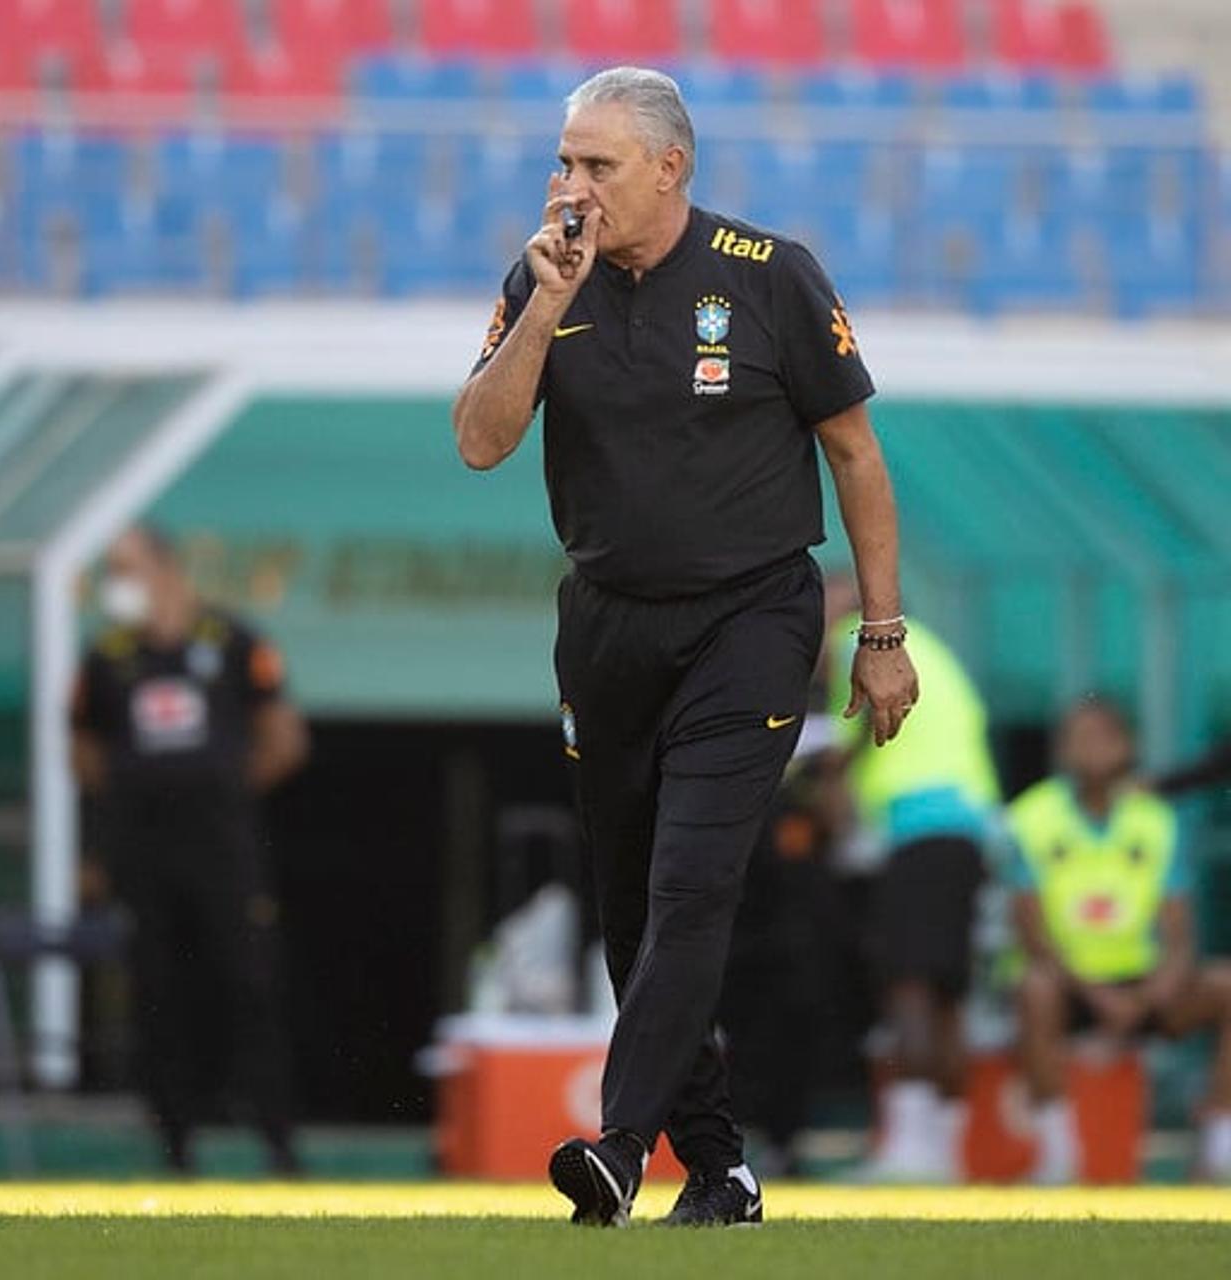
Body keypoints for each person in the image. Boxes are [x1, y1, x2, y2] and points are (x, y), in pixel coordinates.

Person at [451, 66, 918, 1227]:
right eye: (564, 162)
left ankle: (616, 1147)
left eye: (597, 165)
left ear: (671, 168)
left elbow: (857, 455)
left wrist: (881, 632)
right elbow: (478, 440)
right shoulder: (545, 277)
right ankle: (720, 1170)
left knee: (691, 882)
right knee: (628, 909)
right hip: (606, 621)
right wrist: (546, 309)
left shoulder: (772, 278)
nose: (572, 187)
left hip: (752, 618)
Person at [70, 525, 310, 1174]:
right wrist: (125, 808)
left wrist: (224, 791)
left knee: (248, 986)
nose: (117, 586)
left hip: (223, 852)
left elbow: (285, 738)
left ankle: (276, 1141)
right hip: (144, 855)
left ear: (165, 570)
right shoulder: (107, 659)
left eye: (127, 569)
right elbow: (83, 750)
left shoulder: (232, 642)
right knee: (156, 993)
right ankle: (176, 1145)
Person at [819, 578, 1002, 1182]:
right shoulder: (926, 645)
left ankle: (911, 1150)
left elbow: (841, 763)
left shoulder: (860, 643)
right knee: (944, 990)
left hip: (920, 828)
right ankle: (942, 1150)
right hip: (965, 828)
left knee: (910, 985)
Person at [1007, 698, 1231, 1184]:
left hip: (1142, 983)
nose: (1089, 748)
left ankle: (1220, 1149)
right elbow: (1030, 929)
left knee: (1225, 986)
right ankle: (1058, 1155)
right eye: (1077, 737)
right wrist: (1098, 996)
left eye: (1102, 735)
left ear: (1127, 745)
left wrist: (1154, 991)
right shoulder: (1033, 815)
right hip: (1073, 987)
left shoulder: (1155, 819)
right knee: (1033, 987)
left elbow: (1179, 928)